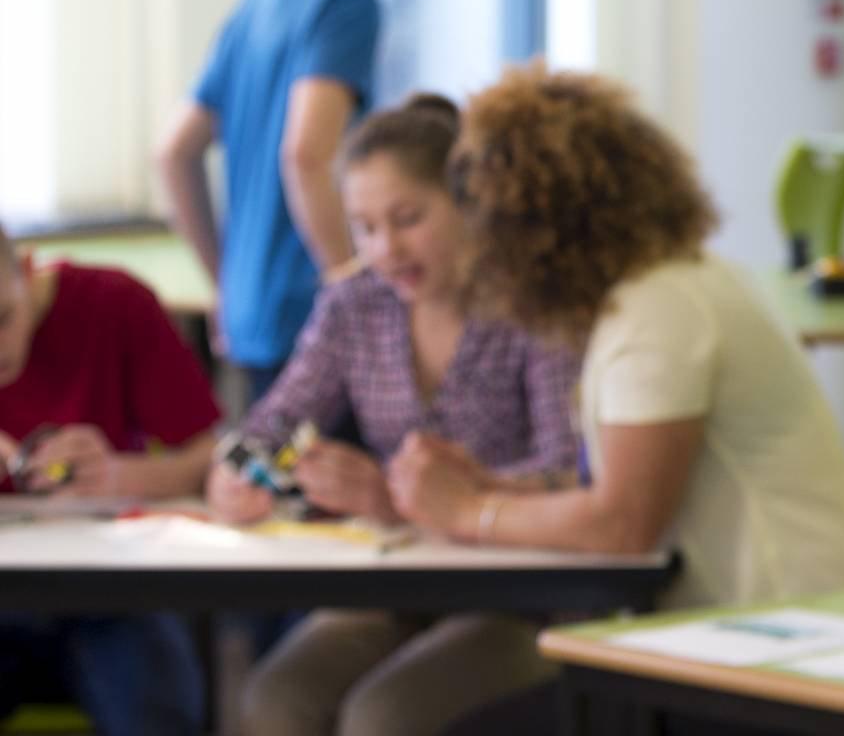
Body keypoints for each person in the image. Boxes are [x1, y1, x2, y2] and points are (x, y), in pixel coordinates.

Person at [385, 67, 844, 616]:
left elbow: (622, 522)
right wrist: (495, 488)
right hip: (769, 624)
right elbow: (620, 488)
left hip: (788, 633)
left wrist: (466, 510)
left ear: (534, 230)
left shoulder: (660, 310)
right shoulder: (675, 282)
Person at [204, 94, 581, 736]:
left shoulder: (531, 305)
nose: (385, 248)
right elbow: (266, 426)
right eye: (364, 227)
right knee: (273, 699)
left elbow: (567, 473)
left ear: (469, 202)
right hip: (392, 586)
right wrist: (239, 474)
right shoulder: (353, 306)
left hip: (516, 598)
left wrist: (401, 498)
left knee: (384, 717)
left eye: (408, 218)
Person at [156, 0, 427, 400]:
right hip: (311, 308)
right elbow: (307, 154)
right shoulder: (348, 1)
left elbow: (173, 151)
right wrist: (351, 287)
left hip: (252, 310)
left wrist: (225, 285)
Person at [0, 221, 219, 736]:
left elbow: (212, 453)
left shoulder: (114, 303)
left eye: (3, 318)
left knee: (158, 711)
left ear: (27, 272)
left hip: (111, 594)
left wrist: (124, 475)